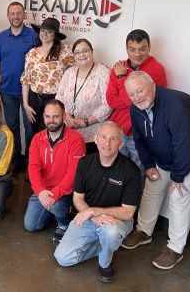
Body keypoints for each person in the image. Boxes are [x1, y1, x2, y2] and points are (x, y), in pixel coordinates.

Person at [121, 71, 190, 270]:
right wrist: (148, 165)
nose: (136, 98)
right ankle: (143, 231)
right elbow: (139, 139)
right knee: (151, 191)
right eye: (131, 94)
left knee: (177, 200)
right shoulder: (136, 108)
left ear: (152, 86)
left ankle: (175, 248)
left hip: (189, 163)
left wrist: (178, 176)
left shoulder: (175, 106)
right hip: (161, 160)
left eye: (139, 91)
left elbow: (185, 145)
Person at [54, 121, 141, 284]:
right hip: (88, 219)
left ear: (121, 143)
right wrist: (93, 217)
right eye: (103, 137)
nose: (107, 143)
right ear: (95, 139)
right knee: (62, 258)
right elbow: (77, 199)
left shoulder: (131, 171)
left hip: (115, 221)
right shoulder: (84, 163)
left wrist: (94, 211)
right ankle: (104, 244)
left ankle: (105, 262)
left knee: (110, 233)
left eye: (113, 139)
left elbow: (128, 212)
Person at [106, 29, 167, 174]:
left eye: (142, 49)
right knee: (115, 172)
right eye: (132, 49)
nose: (137, 54)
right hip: (119, 129)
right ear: (127, 49)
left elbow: (131, 101)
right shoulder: (119, 67)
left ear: (149, 47)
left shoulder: (155, 70)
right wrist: (128, 97)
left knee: (136, 174)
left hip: (140, 133)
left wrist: (121, 77)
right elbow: (111, 100)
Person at [24, 99, 86, 241]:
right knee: (30, 225)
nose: (51, 120)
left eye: (56, 116)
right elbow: (33, 168)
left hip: (65, 190)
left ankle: (64, 223)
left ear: (64, 116)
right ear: (44, 117)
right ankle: (53, 211)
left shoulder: (76, 139)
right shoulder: (37, 139)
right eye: (47, 116)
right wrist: (40, 192)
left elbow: (73, 173)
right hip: (44, 190)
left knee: (57, 206)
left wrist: (55, 194)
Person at [0, 2, 37, 170]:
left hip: (29, 93)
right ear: (8, 16)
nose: (15, 16)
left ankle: (32, 162)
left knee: (30, 128)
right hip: (7, 91)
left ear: (24, 15)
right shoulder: (1, 37)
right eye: (12, 13)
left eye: (19, 13)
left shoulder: (33, 36)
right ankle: (16, 159)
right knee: (12, 127)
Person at [56, 38, 111, 153]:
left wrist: (85, 121)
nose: (81, 55)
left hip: (93, 136)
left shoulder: (103, 72)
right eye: (77, 52)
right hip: (68, 130)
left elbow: (108, 104)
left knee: (87, 168)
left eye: (85, 51)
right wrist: (66, 117)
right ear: (74, 56)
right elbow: (59, 99)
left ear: (92, 52)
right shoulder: (69, 73)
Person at [21, 17, 74, 137]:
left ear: (55, 35)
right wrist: (26, 104)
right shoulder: (32, 53)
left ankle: (50, 156)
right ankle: (36, 156)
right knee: (35, 133)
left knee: (50, 133)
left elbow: (75, 72)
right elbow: (26, 80)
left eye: (49, 32)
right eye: (42, 31)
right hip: (34, 98)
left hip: (54, 99)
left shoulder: (64, 51)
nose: (44, 34)